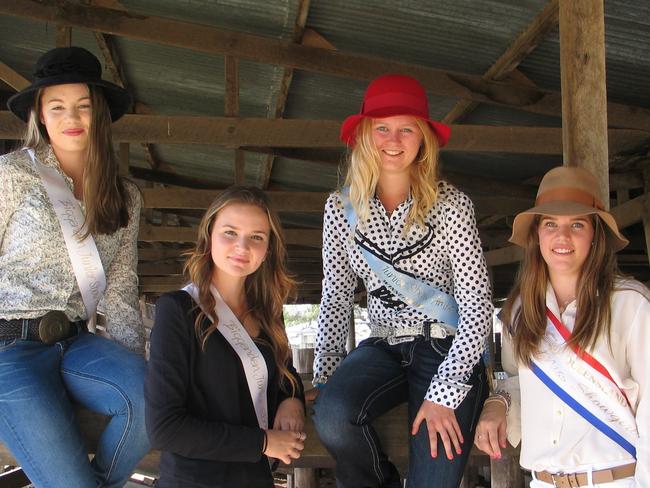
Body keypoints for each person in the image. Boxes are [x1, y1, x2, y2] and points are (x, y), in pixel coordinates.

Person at [311, 73, 493, 487]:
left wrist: (445, 392)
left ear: (424, 138)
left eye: (407, 128)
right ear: (363, 135)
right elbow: (336, 297)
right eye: (382, 128)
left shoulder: (452, 205)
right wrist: (325, 374)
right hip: (382, 347)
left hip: (447, 347)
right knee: (334, 415)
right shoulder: (338, 209)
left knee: (434, 471)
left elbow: (478, 303)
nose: (393, 140)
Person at [0, 47, 149, 487]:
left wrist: (130, 364)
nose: (72, 117)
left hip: (76, 342)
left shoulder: (125, 196)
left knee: (150, 396)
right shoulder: (11, 175)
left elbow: (121, 290)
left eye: (84, 106)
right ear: (41, 116)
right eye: (57, 106)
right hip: (9, 346)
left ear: (99, 114)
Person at [474, 166, 649, 487]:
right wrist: (498, 403)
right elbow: (525, 383)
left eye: (577, 224)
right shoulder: (519, 312)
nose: (562, 237)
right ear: (537, 234)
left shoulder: (631, 303)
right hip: (543, 481)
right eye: (551, 224)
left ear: (595, 232)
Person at [145, 186, 307, 488]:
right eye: (230, 232)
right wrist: (262, 442)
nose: (242, 247)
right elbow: (164, 428)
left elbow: (286, 373)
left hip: (255, 480)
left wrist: (292, 400)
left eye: (256, 237)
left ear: (268, 249)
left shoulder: (269, 312)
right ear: (209, 236)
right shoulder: (177, 310)